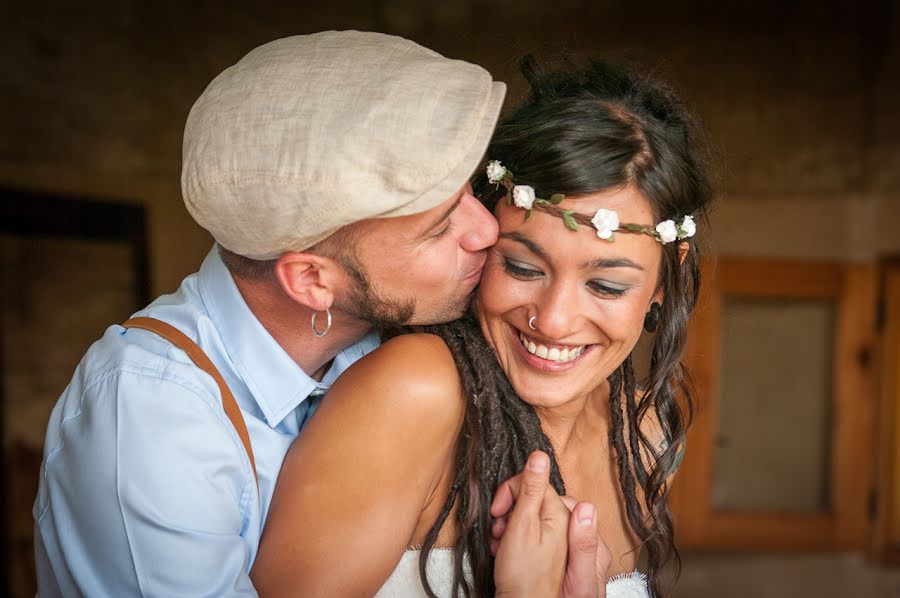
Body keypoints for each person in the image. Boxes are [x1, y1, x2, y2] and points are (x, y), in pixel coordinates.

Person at [33, 32, 600, 597]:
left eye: (470, 193)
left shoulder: (407, 336)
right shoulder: (149, 417)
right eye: (439, 227)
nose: (486, 230)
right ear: (311, 280)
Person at [251, 56, 714, 597]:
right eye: (521, 267)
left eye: (606, 286)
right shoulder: (412, 390)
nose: (554, 319)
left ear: (665, 278)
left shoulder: (648, 436)